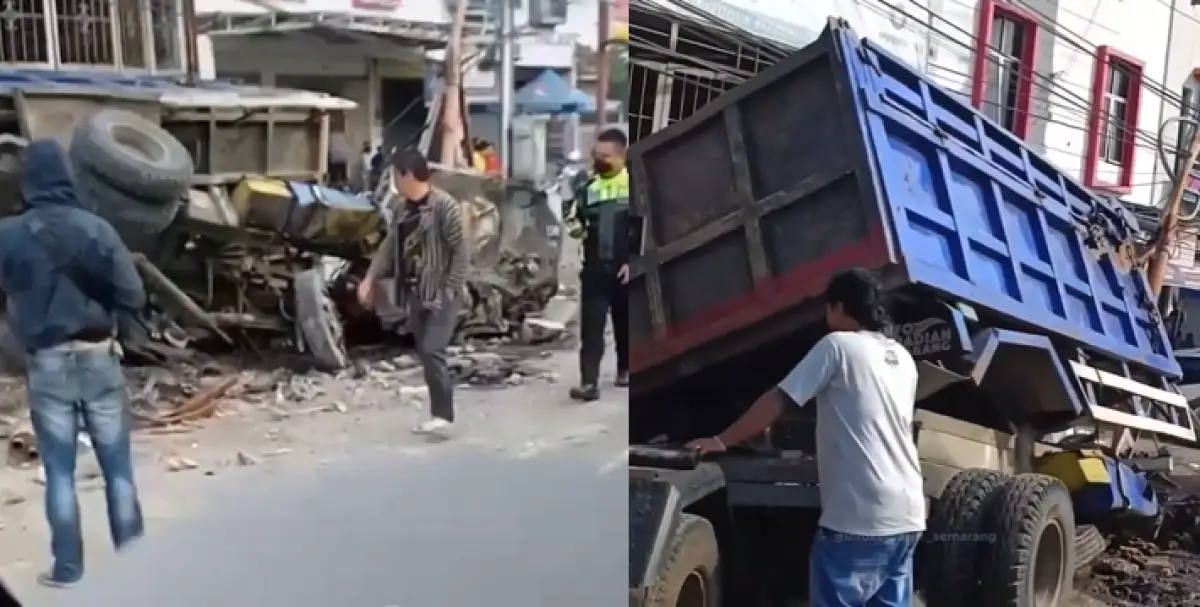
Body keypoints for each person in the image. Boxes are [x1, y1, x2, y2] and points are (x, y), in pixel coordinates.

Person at [687, 269, 925, 607]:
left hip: (859, 518)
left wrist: (722, 439)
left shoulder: (836, 346)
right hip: (908, 516)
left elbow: (779, 399)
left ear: (838, 307)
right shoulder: (903, 358)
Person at [0, 140, 147, 588]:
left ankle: (68, 569)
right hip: (99, 357)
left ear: (29, 182)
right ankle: (137, 567)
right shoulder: (97, 229)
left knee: (60, 471)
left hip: (46, 362)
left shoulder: (8, 233)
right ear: (68, 176)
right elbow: (134, 294)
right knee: (117, 470)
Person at [357, 150, 467, 437]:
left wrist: (449, 290)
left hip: (441, 293)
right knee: (426, 352)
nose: (395, 182)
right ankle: (438, 412)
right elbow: (389, 247)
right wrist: (370, 278)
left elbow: (461, 254)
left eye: (396, 176)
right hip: (415, 292)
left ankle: (444, 415)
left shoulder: (445, 207)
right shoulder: (403, 208)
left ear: (407, 175)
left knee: (433, 350)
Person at [565, 128, 630, 402]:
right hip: (594, 267)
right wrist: (573, 215)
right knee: (591, 329)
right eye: (596, 154)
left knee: (624, 322)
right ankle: (589, 383)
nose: (599, 159)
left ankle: (626, 368)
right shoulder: (588, 187)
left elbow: (646, 226)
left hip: (624, 267)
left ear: (621, 155)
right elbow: (573, 223)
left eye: (606, 156)